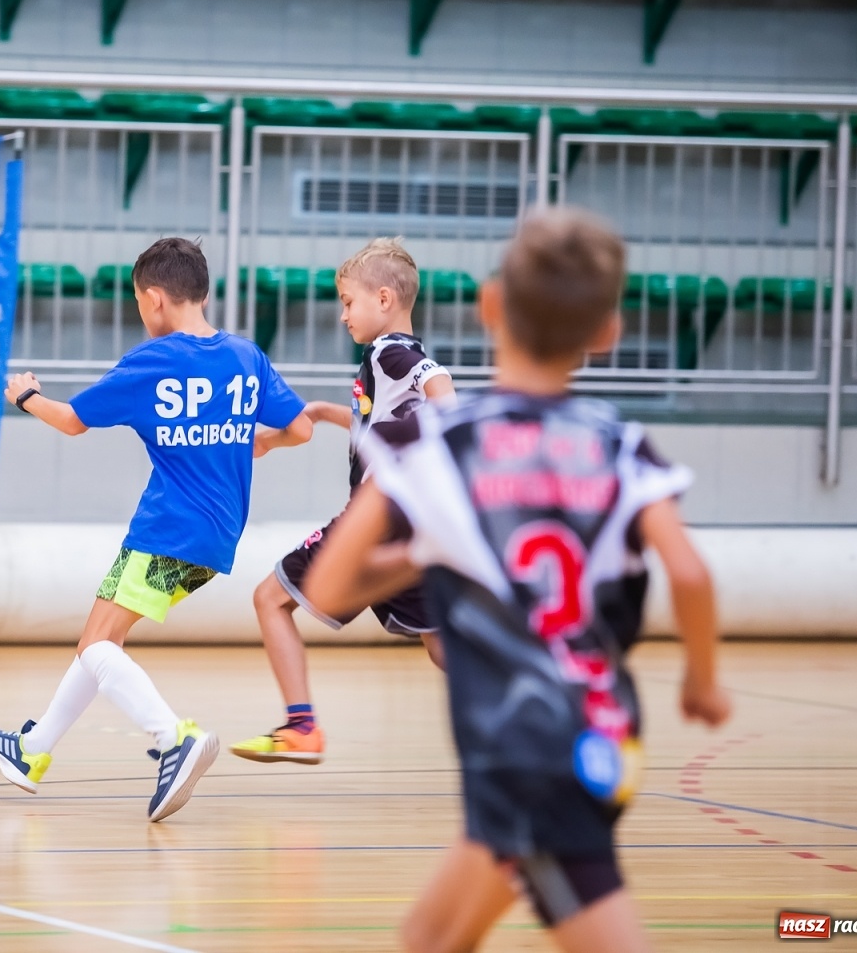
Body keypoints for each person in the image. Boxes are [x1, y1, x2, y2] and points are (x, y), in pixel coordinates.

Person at [303, 209, 730, 952]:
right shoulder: (619, 443)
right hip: (596, 731)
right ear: (607, 333)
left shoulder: (444, 450)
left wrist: (431, 553)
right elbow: (689, 571)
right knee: (431, 937)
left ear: (491, 306)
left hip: (534, 750)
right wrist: (702, 682)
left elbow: (335, 586)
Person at [0, 236, 312, 821]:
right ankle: (33, 751)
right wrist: (261, 439)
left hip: (166, 529)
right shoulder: (245, 357)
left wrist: (26, 397)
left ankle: (173, 738)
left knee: (99, 645)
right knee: (99, 642)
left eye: (137, 303)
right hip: (217, 535)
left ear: (154, 299)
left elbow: (74, 422)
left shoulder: (151, 363)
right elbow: (302, 428)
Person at [232, 238, 454, 765]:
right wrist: (323, 413)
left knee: (270, 599)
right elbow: (377, 427)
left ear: (383, 299)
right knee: (444, 648)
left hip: (376, 523)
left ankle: (301, 728)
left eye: (348, 302)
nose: (342, 315)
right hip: (414, 528)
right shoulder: (383, 366)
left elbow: (440, 387)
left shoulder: (389, 352)